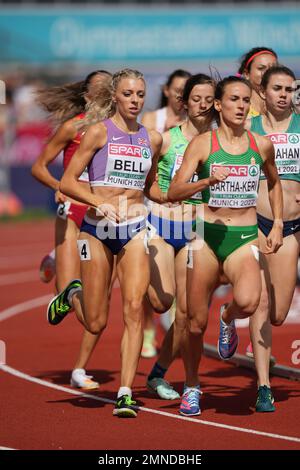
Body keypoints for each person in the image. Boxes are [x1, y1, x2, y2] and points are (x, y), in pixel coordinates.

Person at [46, 68, 167, 418]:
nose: (135, 100)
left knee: (132, 308)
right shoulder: (98, 133)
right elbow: (68, 182)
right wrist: (100, 203)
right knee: (96, 322)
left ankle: (126, 392)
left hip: (133, 228)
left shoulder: (152, 139)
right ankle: (72, 293)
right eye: (128, 94)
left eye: (140, 95)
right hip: (97, 230)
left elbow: (151, 188)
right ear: (115, 96)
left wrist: (181, 194)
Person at [167, 76, 283, 416]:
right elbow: (173, 192)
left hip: (243, 236)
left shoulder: (261, 145)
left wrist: (276, 223)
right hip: (205, 238)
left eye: (246, 100)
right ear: (218, 105)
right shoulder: (203, 144)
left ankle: (228, 317)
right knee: (193, 323)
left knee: (248, 301)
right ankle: (191, 385)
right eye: (234, 99)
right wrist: (205, 181)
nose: (241, 106)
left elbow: (274, 183)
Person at [31, 70, 112, 389]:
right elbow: (38, 167)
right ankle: (64, 278)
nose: (109, 95)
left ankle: (57, 261)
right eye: (103, 91)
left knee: (95, 310)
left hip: (102, 213)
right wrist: (59, 186)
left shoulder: (119, 131)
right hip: (72, 209)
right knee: (70, 291)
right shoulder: (73, 126)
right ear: (89, 97)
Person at [146, 73, 217, 401]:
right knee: (163, 302)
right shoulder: (165, 139)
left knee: (187, 315)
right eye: (196, 98)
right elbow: (145, 183)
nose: (202, 104)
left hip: (196, 232)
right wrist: (164, 196)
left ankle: (162, 374)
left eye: (208, 98)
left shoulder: (220, 142)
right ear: (183, 102)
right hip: (162, 225)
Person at [247, 65, 300, 412]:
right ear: (263, 92)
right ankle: (263, 386)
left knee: (279, 313)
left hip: (291, 225)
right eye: (277, 88)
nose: (283, 94)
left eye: (289, 89)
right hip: (253, 225)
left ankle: (227, 314)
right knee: (259, 303)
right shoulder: (247, 128)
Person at [238, 47, 278, 117]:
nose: (268, 72)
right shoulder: (239, 109)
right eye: (261, 68)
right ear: (246, 74)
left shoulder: (290, 108)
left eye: (273, 68)